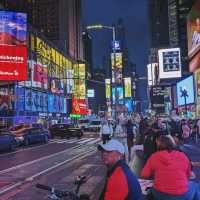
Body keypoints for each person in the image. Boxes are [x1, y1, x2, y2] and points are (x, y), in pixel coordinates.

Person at [141, 135, 200, 200]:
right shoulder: (182, 155)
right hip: (183, 195)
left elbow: (144, 175)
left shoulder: (154, 156)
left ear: (158, 146)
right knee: (195, 186)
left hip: (160, 194)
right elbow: (188, 175)